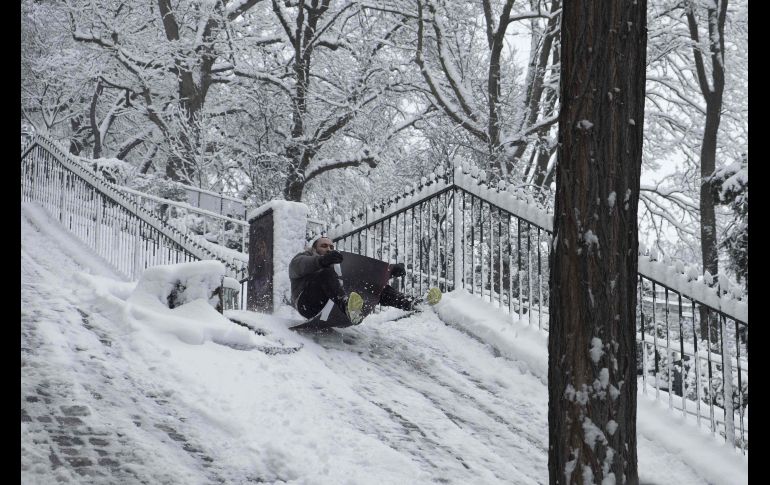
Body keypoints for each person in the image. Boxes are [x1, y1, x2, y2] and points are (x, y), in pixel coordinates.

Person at [289, 236, 441, 324]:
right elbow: (301, 266)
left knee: (371, 284)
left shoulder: (335, 265)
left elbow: (363, 273)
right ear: (314, 248)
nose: (329, 248)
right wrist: (321, 261)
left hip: (332, 303)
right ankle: (347, 306)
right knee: (325, 274)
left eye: (331, 246)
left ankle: (412, 302)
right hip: (307, 304)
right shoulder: (303, 258)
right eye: (324, 246)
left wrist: (390, 271)